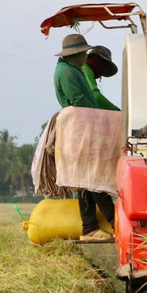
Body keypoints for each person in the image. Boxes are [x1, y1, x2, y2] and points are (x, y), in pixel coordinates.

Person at [53, 33, 115, 241]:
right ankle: (114, 223)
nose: (85, 56)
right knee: (93, 178)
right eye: (83, 53)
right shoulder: (67, 72)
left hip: (84, 126)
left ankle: (90, 228)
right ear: (76, 54)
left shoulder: (72, 69)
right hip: (82, 127)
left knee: (86, 178)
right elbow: (80, 101)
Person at [82, 45, 120, 111]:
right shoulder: (85, 69)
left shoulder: (85, 69)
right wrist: (115, 110)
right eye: (103, 64)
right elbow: (96, 96)